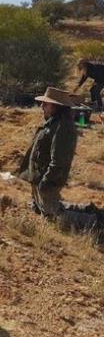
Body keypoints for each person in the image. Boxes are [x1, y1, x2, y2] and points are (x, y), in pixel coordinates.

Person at [18, 87, 104, 233]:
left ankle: (96, 222)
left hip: (47, 179)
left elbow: (59, 161)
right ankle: (88, 210)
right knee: (42, 209)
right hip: (39, 177)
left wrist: (46, 181)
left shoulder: (63, 127)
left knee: (55, 217)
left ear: (56, 106)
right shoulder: (53, 122)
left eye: (46, 104)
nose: (42, 107)